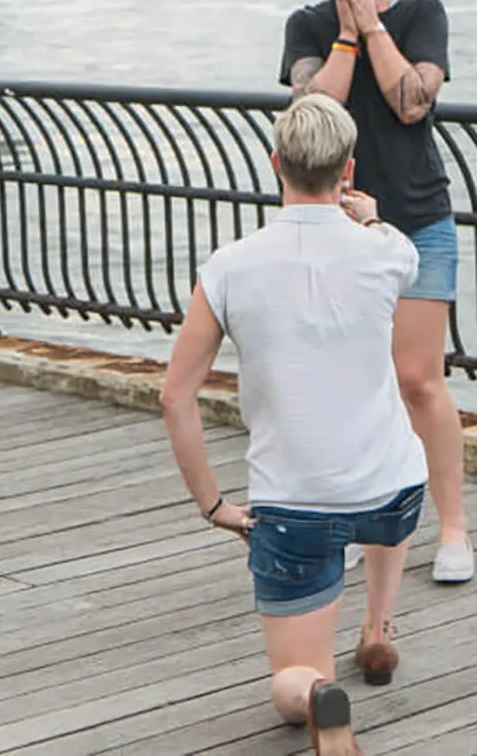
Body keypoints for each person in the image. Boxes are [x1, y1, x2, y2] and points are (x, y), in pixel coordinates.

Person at [160, 94, 428, 755]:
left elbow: (176, 397)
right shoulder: (387, 251)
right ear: (349, 169)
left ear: (276, 163)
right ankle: (378, 625)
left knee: (291, 680)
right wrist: (370, 218)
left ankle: (318, 697)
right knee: (386, 460)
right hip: (393, 495)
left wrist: (213, 505)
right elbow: (385, 250)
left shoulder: (230, 266)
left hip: (294, 506)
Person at [278, 0, 473, 585]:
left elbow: (411, 101)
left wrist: (374, 24)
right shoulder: (307, 26)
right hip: (338, 228)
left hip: (418, 217)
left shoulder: (422, 15)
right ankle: (366, 518)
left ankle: (452, 528)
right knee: (353, 381)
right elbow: (313, 113)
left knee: (418, 379)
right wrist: (346, 36)